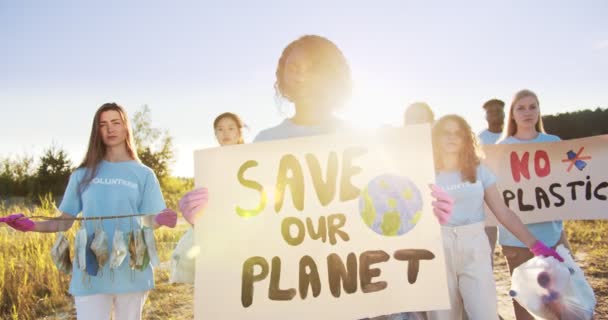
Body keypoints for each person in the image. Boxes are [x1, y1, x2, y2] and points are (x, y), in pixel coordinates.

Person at [180, 35, 454, 320]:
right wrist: (207, 218)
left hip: (361, 292)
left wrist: (429, 213)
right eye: (293, 66)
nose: (300, 73)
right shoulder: (266, 142)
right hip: (298, 294)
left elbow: (391, 211)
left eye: (313, 66)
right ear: (282, 77)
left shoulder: (363, 137)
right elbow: (253, 220)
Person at [2, 103, 177, 320]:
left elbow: (149, 220)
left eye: (116, 122)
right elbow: (63, 222)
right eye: (103, 124)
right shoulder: (82, 174)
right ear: (97, 131)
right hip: (90, 272)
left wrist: (161, 218)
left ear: (125, 128)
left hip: (131, 271)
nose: (110, 129)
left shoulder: (144, 174)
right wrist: (30, 225)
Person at [426, 114, 563, 320]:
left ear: (465, 138)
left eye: (458, 133)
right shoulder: (426, 171)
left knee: (484, 314)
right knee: (442, 317)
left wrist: (535, 245)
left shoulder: (478, 170)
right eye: (446, 133)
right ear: (436, 137)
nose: (452, 137)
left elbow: (503, 212)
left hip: (474, 245)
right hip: (437, 247)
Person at [497, 89, 571, 320]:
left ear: (539, 111)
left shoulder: (554, 143)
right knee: (526, 305)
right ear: (512, 114)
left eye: (533, 106)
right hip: (516, 240)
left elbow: (571, 181)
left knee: (562, 302)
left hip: (553, 234)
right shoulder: (500, 149)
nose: (527, 112)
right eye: (521, 107)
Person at [171, 112, 246, 283]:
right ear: (215, 134)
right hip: (217, 224)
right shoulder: (208, 162)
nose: (225, 133)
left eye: (230, 128)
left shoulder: (250, 158)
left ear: (239, 132)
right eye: (220, 129)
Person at [477, 98, 505, 269]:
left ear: (504, 113)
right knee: (487, 249)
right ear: (485, 116)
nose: (494, 114)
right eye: (490, 112)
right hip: (487, 202)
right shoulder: (480, 140)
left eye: (497, 111)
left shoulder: (512, 137)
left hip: (516, 199)